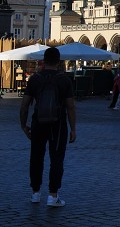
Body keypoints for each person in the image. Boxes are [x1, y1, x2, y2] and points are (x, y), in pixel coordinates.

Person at [19, 47, 76, 207]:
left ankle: (35, 193)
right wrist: (73, 128)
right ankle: (53, 195)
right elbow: (70, 106)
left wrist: (24, 125)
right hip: (58, 124)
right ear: (59, 61)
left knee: (36, 157)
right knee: (56, 159)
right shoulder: (64, 80)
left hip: (38, 122)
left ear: (44, 60)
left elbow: (24, 106)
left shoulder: (35, 79)